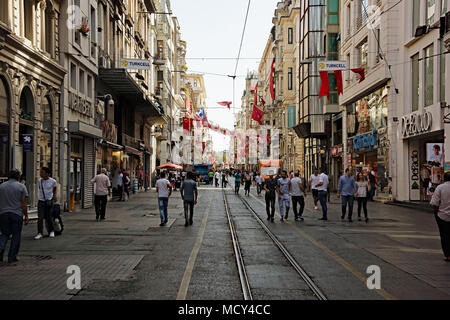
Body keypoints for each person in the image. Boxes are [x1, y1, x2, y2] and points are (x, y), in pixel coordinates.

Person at [0, 170, 29, 263]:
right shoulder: (21, 186)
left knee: (4, 233)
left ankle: (1, 248)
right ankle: (12, 256)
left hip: (3, 213)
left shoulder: (2, 186)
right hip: (16, 214)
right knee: (16, 235)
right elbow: (24, 203)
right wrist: (26, 216)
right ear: (18, 177)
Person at [430, 172, 450, 262]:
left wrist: (436, 212)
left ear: (443, 178)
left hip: (442, 215)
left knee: (444, 235)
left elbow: (435, 203)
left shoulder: (440, 187)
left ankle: (448, 255)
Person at [35, 167, 57, 240]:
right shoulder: (39, 181)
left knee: (48, 217)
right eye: (40, 172)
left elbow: (54, 189)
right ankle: (40, 233)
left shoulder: (53, 181)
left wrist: (53, 197)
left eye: (42, 172)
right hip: (41, 201)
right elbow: (39, 188)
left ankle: (51, 231)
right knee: (40, 217)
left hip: (49, 201)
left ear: (47, 173)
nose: (40, 174)